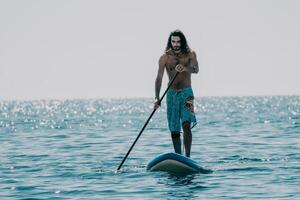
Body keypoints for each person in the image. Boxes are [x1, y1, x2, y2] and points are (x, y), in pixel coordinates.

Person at [154, 29, 199, 157]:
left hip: (186, 93)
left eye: (178, 41)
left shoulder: (190, 54)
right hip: (171, 94)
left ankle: (187, 157)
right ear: (170, 42)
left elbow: (196, 70)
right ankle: (179, 157)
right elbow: (159, 78)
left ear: (182, 41)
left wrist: (185, 68)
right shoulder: (165, 58)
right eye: (173, 41)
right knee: (174, 129)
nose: (176, 44)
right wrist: (157, 98)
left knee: (186, 124)